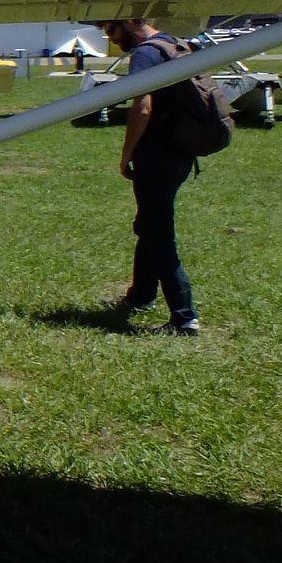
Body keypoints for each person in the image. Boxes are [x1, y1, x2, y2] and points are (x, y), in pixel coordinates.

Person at [99, 18, 201, 335]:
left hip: (157, 157)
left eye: (111, 30)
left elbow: (142, 108)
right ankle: (141, 295)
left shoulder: (145, 53)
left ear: (129, 22)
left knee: (159, 233)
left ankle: (185, 319)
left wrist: (126, 155)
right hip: (181, 154)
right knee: (149, 224)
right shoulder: (175, 43)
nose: (111, 38)